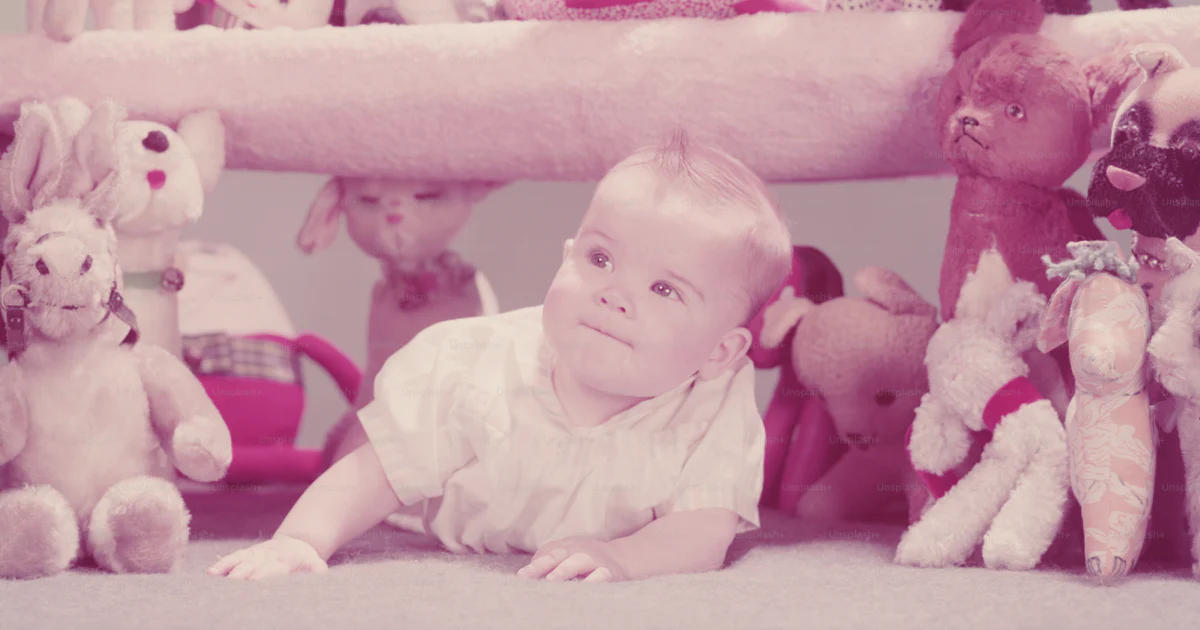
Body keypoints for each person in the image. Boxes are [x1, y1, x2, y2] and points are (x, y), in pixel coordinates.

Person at [208, 130, 794, 582]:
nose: (614, 294)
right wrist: (302, 540)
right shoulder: (480, 366)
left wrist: (621, 559)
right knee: (381, 451)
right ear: (568, 254)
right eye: (600, 259)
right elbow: (379, 470)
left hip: (591, 548)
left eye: (665, 289)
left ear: (721, 351)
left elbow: (702, 531)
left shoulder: (712, 405)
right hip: (443, 517)